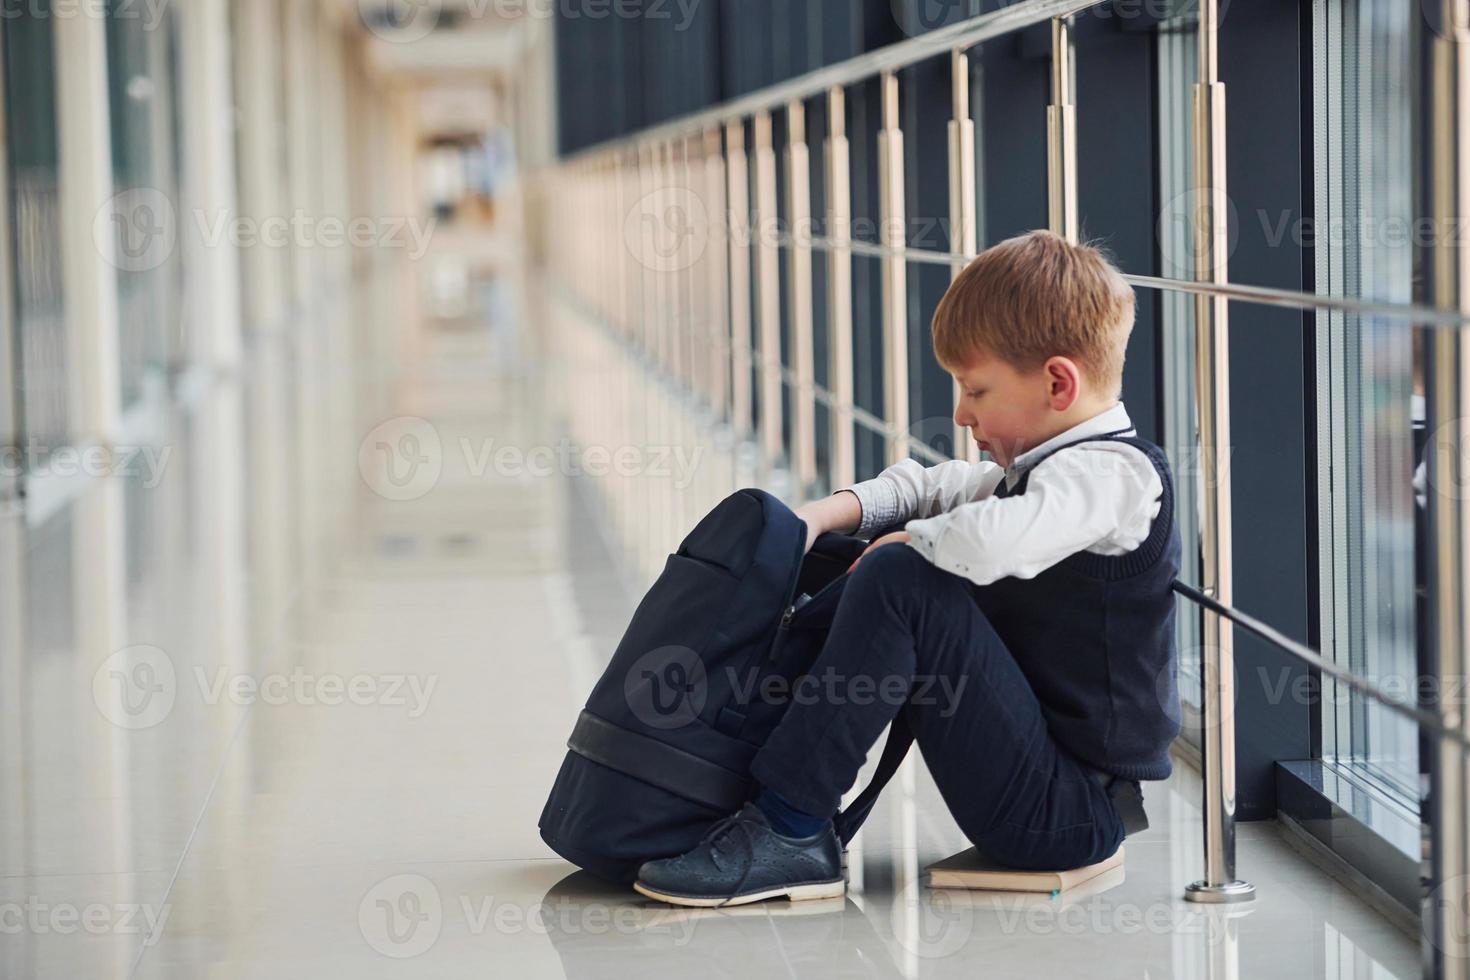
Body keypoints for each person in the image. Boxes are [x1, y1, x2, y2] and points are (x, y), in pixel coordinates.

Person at [634, 230, 1181, 908]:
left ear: (1058, 383)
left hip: (1064, 814)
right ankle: (742, 767)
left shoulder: (1111, 478)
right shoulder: (1043, 470)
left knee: (903, 573)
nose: (960, 412)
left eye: (975, 389)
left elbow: (991, 542)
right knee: (876, 553)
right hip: (1035, 776)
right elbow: (937, 486)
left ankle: (790, 824)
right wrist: (821, 519)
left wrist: (903, 547)